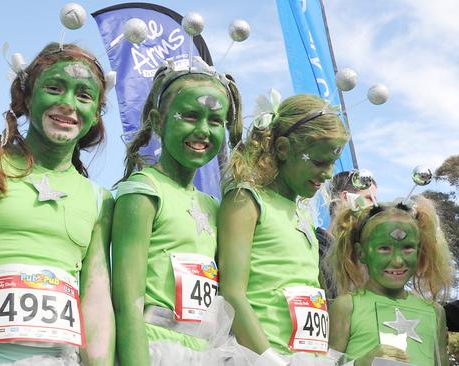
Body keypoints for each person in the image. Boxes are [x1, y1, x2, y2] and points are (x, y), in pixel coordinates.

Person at [0, 43, 115, 366]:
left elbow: (97, 303)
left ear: (96, 115)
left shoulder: (100, 200)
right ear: (28, 98)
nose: (67, 104)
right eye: (54, 88)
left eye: (83, 95)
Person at [111, 59, 247, 365]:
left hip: (206, 353)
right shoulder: (143, 191)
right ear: (159, 121)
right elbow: (126, 304)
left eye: (215, 121)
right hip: (155, 349)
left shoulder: (213, 205)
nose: (202, 130)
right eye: (188, 116)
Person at [219, 93, 349, 361]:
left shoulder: (305, 215)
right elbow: (232, 293)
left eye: (332, 163)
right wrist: (270, 359)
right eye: (318, 162)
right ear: (282, 148)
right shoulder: (246, 200)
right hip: (260, 356)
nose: (327, 174)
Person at [327, 197, 452, 365]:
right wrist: (360, 363)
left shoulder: (435, 312)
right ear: (361, 253)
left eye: (407, 247)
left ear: (419, 251)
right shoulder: (346, 306)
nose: (398, 260)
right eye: (384, 248)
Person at [317, 170, 378, 298]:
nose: (375, 207)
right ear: (346, 197)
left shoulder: (364, 260)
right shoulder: (314, 248)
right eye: (369, 198)